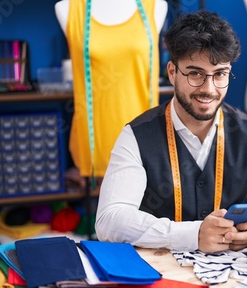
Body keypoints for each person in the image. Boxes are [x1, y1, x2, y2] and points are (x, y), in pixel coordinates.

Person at [95, 10, 247, 254]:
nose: (208, 89)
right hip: (160, 271)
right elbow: (109, 221)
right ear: (172, 72)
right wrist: (192, 235)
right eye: (195, 74)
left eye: (220, 74)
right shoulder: (136, 136)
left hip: (230, 271)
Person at [54, 0, 168, 179]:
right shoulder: (69, 8)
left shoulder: (156, 6)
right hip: (95, 145)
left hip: (143, 140)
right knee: (98, 206)